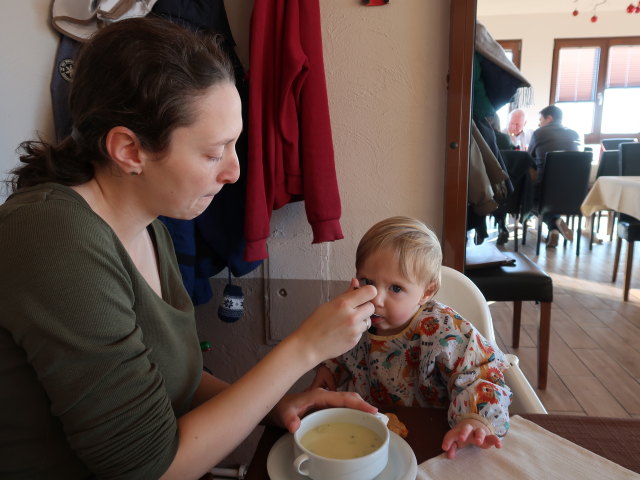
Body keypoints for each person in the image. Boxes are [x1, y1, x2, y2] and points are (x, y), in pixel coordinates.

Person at [0, 18, 379, 480]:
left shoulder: (149, 224)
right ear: (129, 150)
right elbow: (150, 469)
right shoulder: (53, 237)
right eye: (213, 152)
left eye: (235, 145)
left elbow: (165, 377)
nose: (234, 172)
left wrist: (275, 407)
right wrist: (303, 350)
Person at [309, 216, 512, 459]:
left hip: (434, 437)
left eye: (395, 288)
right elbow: (340, 349)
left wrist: (473, 419)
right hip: (366, 434)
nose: (376, 299)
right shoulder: (355, 316)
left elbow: (481, 373)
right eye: (367, 282)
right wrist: (330, 367)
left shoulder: (444, 329)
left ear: (426, 292)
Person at [528, 105, 581, 247]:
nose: (539, 123)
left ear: (549, 118)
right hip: (573, 193)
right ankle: (554, 227)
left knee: (526, 197)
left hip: (546, 190)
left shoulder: (539, 133)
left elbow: (528, 159)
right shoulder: (575, 134)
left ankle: (553, 221)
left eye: (541, 119)